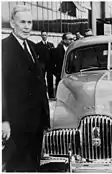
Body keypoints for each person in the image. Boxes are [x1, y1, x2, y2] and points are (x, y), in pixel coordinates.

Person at [2, 5, 50, 171]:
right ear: (12, 24)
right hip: (16, 124)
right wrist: (4, 120)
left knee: (33, 164)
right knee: (18, 166)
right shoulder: (4, 48)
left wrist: (45, 116)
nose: (27, 26)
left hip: (35, 122)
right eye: (22, 22)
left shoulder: (31, 46)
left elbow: (38, 82)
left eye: (30, 22)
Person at [36, 30, 55, 99]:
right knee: (42, 80)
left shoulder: (51, 45)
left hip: (49, 65)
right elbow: (36, 56)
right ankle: (42, 95)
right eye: (43, 35)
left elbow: (53, 55)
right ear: (41, 36)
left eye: (45, 35)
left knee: (50, 79)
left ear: (47, 36)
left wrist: (53, 64)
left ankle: (51, 95)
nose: (44, 36)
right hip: (42, 65)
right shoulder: (38, 45)